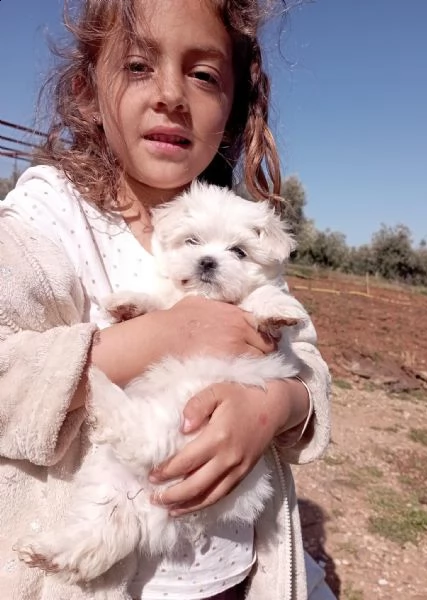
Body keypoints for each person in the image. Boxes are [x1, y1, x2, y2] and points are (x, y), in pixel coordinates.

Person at [0, 1, 334, 599]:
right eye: (137, 65)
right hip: (100, 573)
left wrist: (278, 405)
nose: (172, 95)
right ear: (85, 90)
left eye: (204, 74)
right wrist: (159, 336)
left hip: (234, 572)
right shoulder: (42, 221)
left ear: (233, 111)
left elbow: (306, 362)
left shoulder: (242, 231)